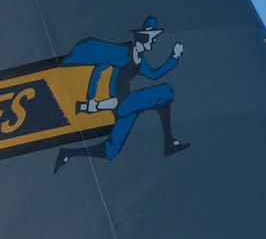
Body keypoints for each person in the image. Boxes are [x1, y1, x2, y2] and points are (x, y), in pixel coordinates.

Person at [53, 15, 189, 169]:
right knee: (165, 91)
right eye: (151, 38)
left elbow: (154, 74)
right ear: (141, 38)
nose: (154, 41)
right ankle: (169, 142)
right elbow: (99, 69)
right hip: (120, 102)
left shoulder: (140, 61)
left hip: (125, 104)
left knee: (111, 150)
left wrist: (174, 57)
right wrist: (91, 99)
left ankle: (68, 153)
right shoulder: (123, 53)